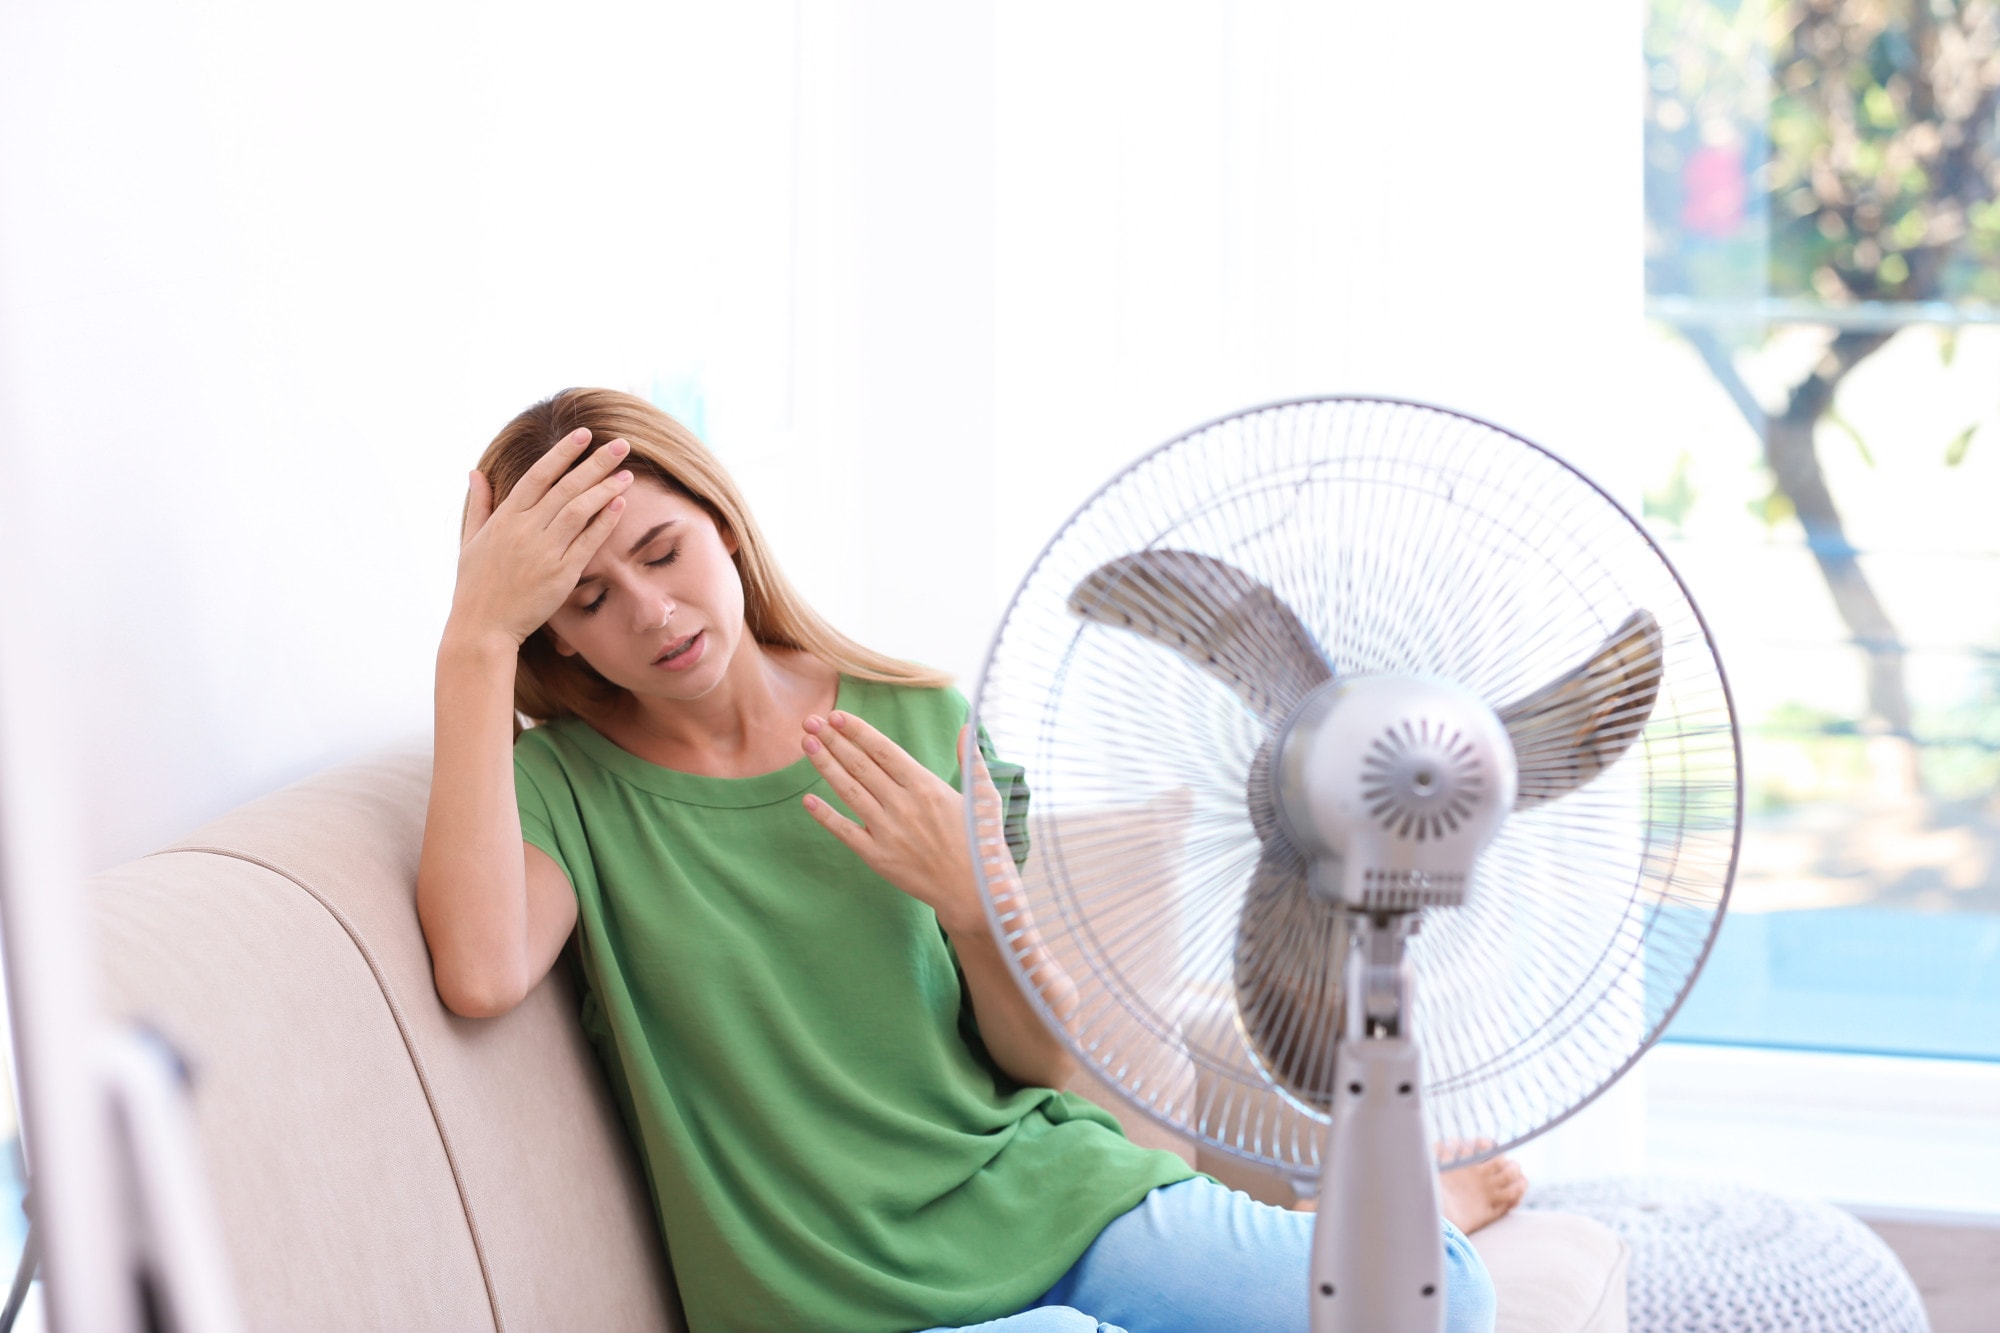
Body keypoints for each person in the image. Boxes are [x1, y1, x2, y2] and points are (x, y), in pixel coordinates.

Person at [416, 388, 1518, 1333]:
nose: (651, 612)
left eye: (661, 550)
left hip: (1042, 1195)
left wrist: (969, 903)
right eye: (586, 599)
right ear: (550, 636)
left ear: (724, 524)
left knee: (1437, 1296)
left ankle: (1405, 1206)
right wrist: (474, 637)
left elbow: (1037, 1060)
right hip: (833, 1299)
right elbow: (478, 969)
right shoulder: (566, 785)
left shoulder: (915, 710)